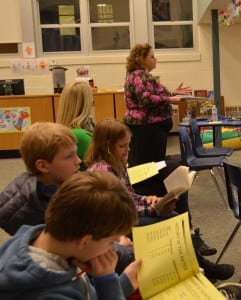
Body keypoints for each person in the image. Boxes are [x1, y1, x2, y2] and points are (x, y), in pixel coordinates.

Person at [85, 118, 235, 282]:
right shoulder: (103, 171)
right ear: (107, 146)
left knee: (174, 216)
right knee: (171, 220)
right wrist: (153, 209)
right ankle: (202, 266)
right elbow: (118, 210)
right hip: (117, 225)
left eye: (129, 145)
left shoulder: (117, 163)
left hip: (125, 215)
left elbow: (130, 196)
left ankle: (198, 265)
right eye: (122, 146)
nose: (128, 150)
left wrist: (152, 201)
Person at [123, 43, 216, 257]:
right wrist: (170, 99)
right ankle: (189, 235)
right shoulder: (138, 75)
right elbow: (147, 99)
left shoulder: (141, 76)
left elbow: (149, 95)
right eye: (152, 57)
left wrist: (172, 93)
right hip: (147, 136)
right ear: (141, 59)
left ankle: (190, 234)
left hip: (152, 134)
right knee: (172, 174)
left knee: (176, 172)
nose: (155, 60)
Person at [0, 171, 141, 299]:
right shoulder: (51, 295)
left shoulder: (34, 239)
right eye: (111, 242)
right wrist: (108, 281)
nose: (112, 250)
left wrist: (123, 283)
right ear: (84, 241)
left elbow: (87, 294)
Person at [0, 122, 81, 235]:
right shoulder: (39, 210)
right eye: (69, 156)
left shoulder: (59, 186)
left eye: (76, 154)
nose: (78, 161)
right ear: (43, 166)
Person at [56, 81, 95, 170]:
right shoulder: (80, 136)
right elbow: (106, 167)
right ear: (87, 103)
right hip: (93, 181)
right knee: (133, 175)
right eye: (92, 99)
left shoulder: (67, 131)